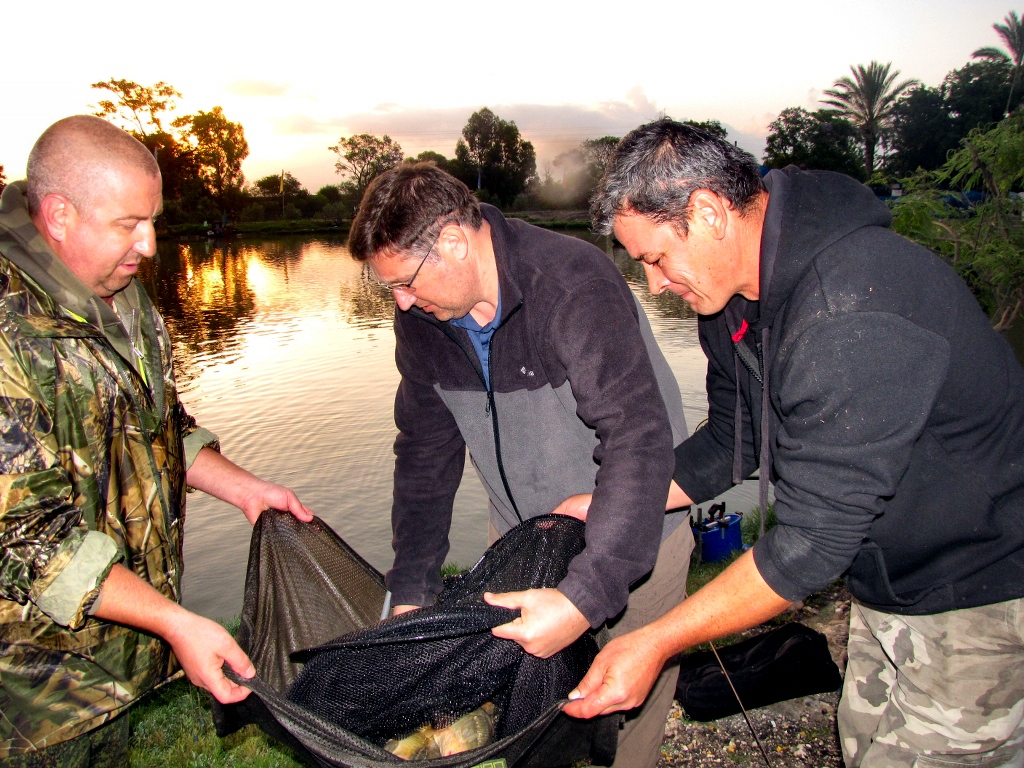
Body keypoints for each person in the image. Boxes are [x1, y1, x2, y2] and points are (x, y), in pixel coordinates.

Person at [561, 118, 1024, 767]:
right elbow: (730, 440)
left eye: (656, 258)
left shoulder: (849, 307)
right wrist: (615, 500)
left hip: (986, 586)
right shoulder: (731, 305)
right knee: (864, 744)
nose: (656, 285)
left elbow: (809, 545)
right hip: (886, 579)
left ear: (708, 212)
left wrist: (657, 641)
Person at [347, 163, 695, 768]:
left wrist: (587, 596)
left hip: (638, 530)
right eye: (390, 290)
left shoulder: (569, 283)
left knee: (629, 697)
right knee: (527, 710)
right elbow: (425, 454)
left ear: (453, 241)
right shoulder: (422, 323)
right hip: (522, 538)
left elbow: (637, 438)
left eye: (404, 282)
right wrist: (411, 586)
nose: (401, 303)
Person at [0, 116, 313, 765]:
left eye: (152, 220)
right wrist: (174, 621)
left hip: (108, 664)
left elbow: (159, 422)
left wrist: (248, 490)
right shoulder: (10, 332)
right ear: (59, 216)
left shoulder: (121, 296)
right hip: (29, 690)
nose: (148, 244)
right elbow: (28, 543)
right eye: (127, 224)